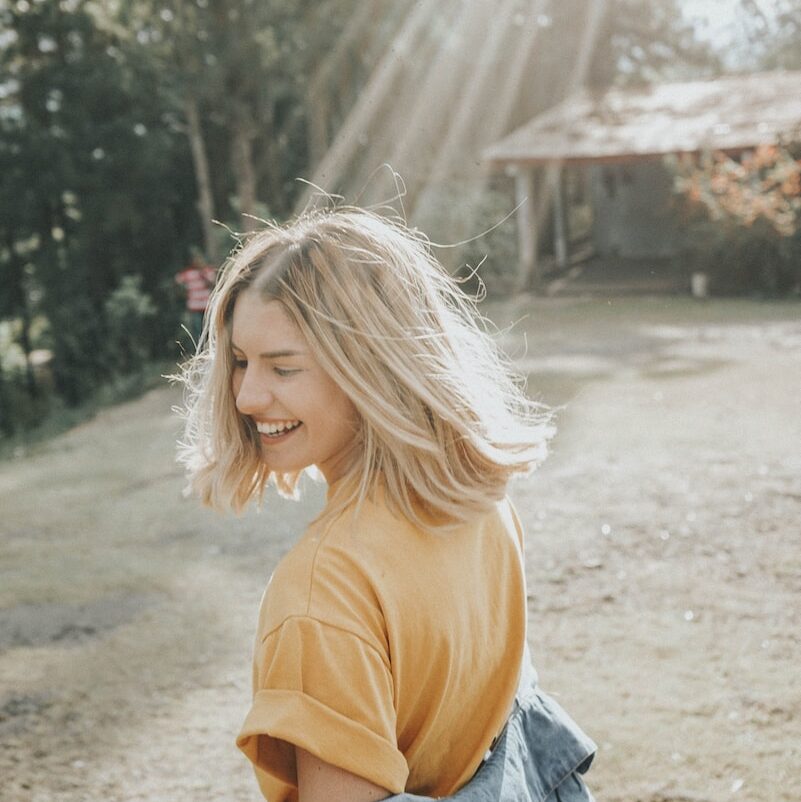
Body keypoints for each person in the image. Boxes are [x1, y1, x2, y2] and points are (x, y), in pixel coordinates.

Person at [176, 208, 596, 802]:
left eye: (284, 366)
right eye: (241, 360)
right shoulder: (477, 500)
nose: (246, 395)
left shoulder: (324, 589)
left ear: (371, 366)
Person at [174, 252, 216, 345]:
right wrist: (183, 292)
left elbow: (212, 283)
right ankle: (198, 350)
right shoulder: (188, 273)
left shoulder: (208, 271)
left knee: (209, 330)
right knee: (197, 332)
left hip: (206, 307)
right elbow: (177, 281)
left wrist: (203, 274)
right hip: (194, 307)